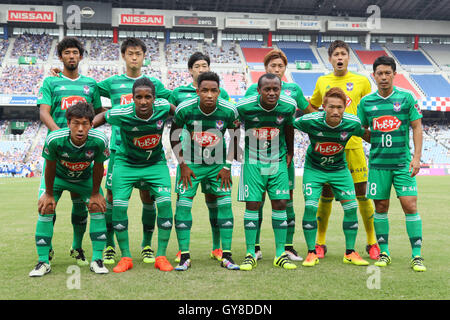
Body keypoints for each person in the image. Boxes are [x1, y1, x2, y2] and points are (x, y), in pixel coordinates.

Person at [96, 37, 172, 265]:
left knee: (150, 197)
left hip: (150, 155)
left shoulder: (156, 85)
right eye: (130, 53)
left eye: (138, 53)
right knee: (112, 198)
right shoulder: (112, 83)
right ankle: (110, 245)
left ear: (144, 56)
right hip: (120, 151)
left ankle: (148, 246)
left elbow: (173, 104)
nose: (134, 57)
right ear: (123, 56)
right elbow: (89, 91)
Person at [307, 40, 379, 260]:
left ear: (349, 57)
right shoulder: (322, 81)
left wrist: (365, 131)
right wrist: (320, 124)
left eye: (343, 54)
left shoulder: (362, 82)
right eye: (336, 54)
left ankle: (372, 242)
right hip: (329, 148)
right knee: (326, 195)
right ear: (330, 59)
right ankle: (320, 243)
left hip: (354, 147)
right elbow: (313, 106)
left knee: (362, 195)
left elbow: (369, 108)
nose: (340, 57)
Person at [245, 49, 316, 261]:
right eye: (273, 66)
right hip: (257, 156)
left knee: (287, 201)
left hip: (283, 156)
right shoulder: (252, 89)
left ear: (285, 69)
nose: (277, 69)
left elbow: (309, 113)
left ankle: (288, 246)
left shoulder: (293, 90)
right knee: (256, 201)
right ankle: (255, 247)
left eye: (280, 66)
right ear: (265, 68)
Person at [38, 36, 103, 266]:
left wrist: (86, 134)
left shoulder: (91, 84)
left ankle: (77, 246)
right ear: (60, 56)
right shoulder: (50, 82)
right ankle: (47, 251)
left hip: (82, 154)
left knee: (80, 204)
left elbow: (97, 113)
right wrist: (61, 136)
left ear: (81, 56)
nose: (71, 56)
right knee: (48, 203)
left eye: (75, 52)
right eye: (67, 53)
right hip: (57, 152)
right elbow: (44, 112)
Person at [357, 56, 426, 272]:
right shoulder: (366, 102)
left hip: (402, 163)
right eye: (380, 73)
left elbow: (416, 127)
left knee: (410, 205)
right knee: (380, 206)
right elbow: (361, 130)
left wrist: (416, 158)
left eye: (388, 73)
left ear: (394, 75)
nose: (384, 77)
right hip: (377, 165)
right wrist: (376, 138)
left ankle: (416, 256)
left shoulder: (406, 98)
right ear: (374, 76)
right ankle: (384, 252)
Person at [170, 71, 240, 271]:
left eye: (213, 91)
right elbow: (174, 136)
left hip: (218, 165)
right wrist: (182, 164)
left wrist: (227, 167)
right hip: (191, 165)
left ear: (219, 92)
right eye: (205, 90)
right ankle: (184, 256)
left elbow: (235, 137)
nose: (209, 95)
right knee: (183, 206)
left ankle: (226, 255)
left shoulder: (229, 110)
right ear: (197, 91)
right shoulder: (184, 109)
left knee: (225, 206)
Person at [29, 102, 109, 277]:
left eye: (85, 124)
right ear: (68, 123)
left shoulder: (99, 140)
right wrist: (49, 194)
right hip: (58, 177)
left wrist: (95, 193)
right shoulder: (55, 139)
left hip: (84, 178)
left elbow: (98, 167)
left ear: (91, 124)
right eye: (75, 123)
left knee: (97, 207)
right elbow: (49, 167)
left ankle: (97, 259)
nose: (80, 129)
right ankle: (43, 261)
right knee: (46, 207)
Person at [294, 88, 370, 267]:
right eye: (331, 107)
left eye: (340, 107)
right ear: (323, 107)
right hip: (314, 169)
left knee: (351, 208)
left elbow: (367, 135)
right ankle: (311, 252)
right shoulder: (309, 120)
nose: (336, 111)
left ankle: (350, 252)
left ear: (345, 108)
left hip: (339, 170)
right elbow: (288, 124)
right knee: (311, 207)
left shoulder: (352, 123)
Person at [236, 73, 297, 271]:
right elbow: (233, 127)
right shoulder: (244, 107)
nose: (271, 93)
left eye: (275, 89)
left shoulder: (288, 106)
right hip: (253, 162)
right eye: (267, 89)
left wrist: (291, 151)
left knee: (281, 203)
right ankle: (250, 253)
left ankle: (280, 253)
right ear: (259, 90)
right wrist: (235, 152)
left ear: (280, 89)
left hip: (277, 160)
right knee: (253, 204)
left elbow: (289, 128)